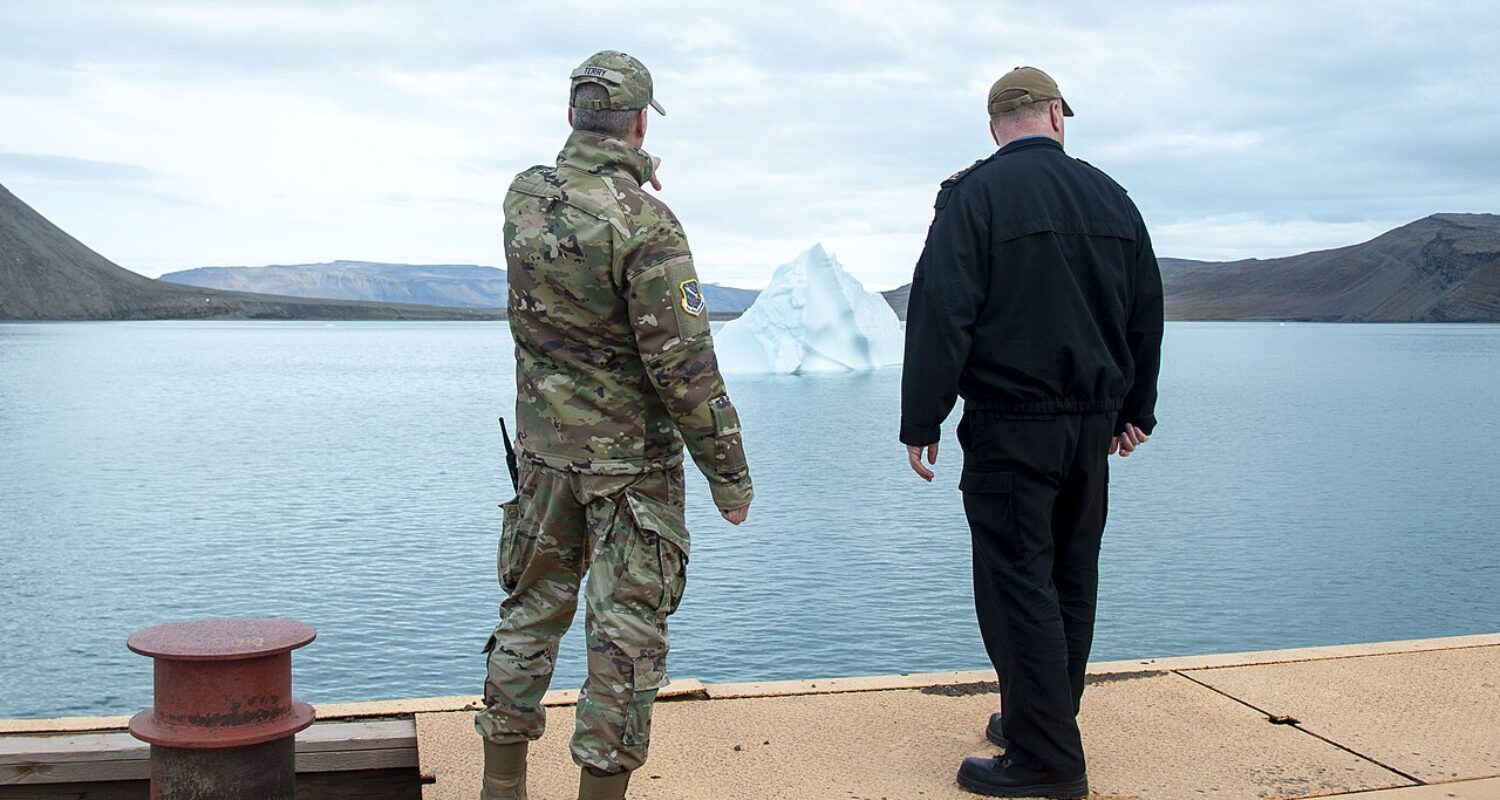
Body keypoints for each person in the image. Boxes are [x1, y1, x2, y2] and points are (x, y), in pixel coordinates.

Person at [475, 50, 754, 800]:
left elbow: (572, 188)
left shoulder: (521, 197)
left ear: (572, 115)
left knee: (529, 614)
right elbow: (685, 364)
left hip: (543, 462)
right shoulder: (648, 223)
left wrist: (622, 166)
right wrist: (729, 473)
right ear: (638, 122)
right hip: (631, 468)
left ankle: (500, 788)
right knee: (624, 638)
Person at [899, 66, 1163, 798]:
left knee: (1016, 584)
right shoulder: (1113, 197)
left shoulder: (973, 196)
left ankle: (1047, 759)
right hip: (1089, 431)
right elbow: (1147, 309)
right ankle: (1043, 717)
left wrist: (922, 418)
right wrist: (1135, 407)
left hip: (1013, 425)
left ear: (995, 125)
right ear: (1053, 114)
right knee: (1071, 577)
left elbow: (942, 312)